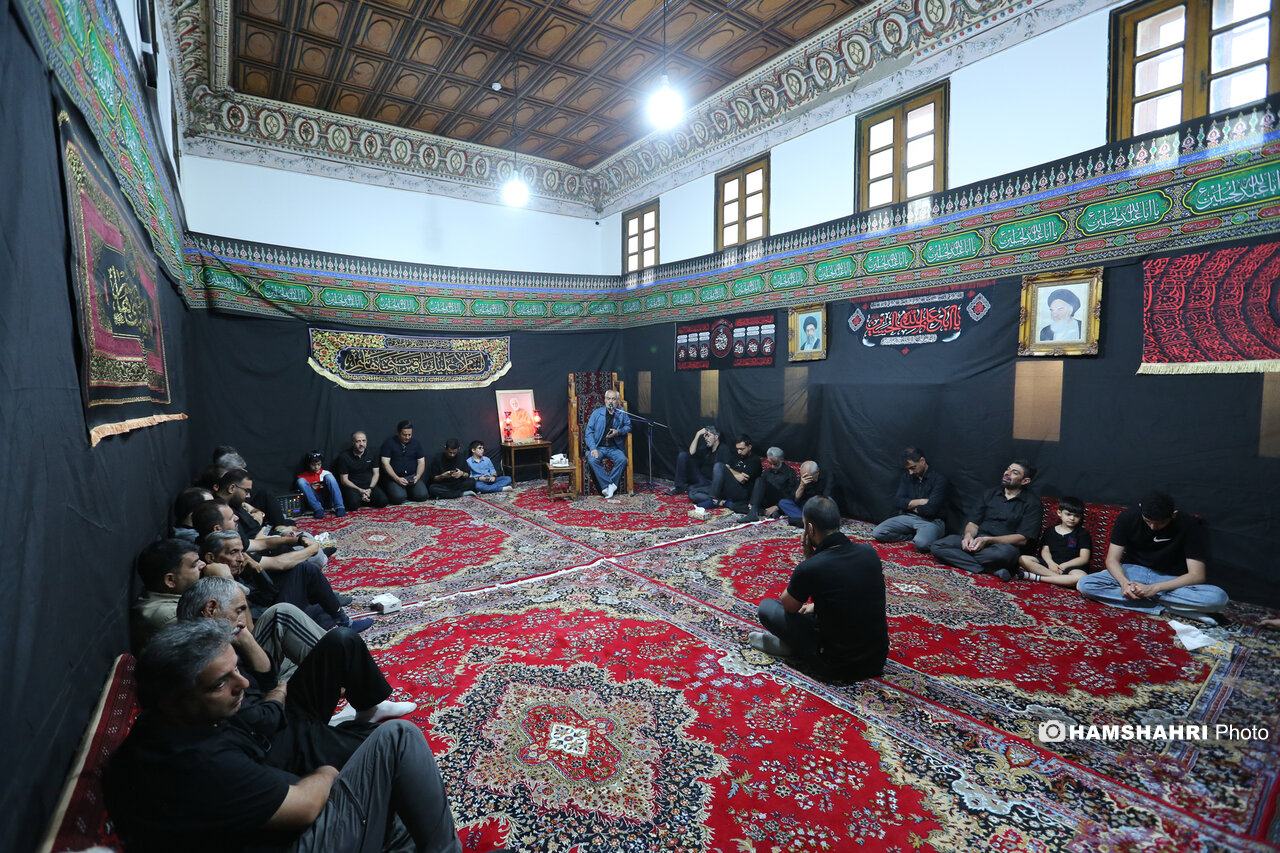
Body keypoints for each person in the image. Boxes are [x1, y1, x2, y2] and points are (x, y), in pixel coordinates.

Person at [104, 620, 479, 853]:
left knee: (399, 812)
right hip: (291, 837)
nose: (242, 683)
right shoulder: (195, 761)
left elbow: (258, 713)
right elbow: (307, 806)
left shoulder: (174, 723)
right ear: (173, 700)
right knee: (398, 738)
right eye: (221, 683)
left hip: (270, 782)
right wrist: (328, 773)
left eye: (236, 670)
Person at [750, 496, 888, 681]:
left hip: (836, 666)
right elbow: (854, 595)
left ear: (810, 529)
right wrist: (815, 606)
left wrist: (809, 559)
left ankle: (790, 648)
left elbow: (789, 606)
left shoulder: (811, 566)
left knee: (767, 607)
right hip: (877, 660)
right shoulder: (869, 552)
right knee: (815, 613)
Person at [1077, 492, 1228, 625]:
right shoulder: (1127, 517)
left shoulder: (1188, 525)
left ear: (1173, 514)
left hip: (1169, 579)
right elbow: (1112, 560)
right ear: (1140, 508)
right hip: (1132, 572)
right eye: (1148, 521)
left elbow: (1196, 575)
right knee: (1085, 585)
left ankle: (1151, 602)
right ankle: (1169, 608)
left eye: (1160, 523)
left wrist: (1155, 588)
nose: (1153, 527)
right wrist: (1124, 583)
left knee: (1218, 599)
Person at [199, 525, 369, 633]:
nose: (240, 558)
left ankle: (332, 611)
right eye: (233, 553)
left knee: (321, 606)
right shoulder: (214, 583)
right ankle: (339, 619)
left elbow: (269, 594)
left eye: (241, 551)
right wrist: (229, 579)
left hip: (269, 610)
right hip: (263, 628)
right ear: (211, 558)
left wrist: (257, 571)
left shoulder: (240, 564)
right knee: (307, 571)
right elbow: (251, 627)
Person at [178, 575, 327, 682]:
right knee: (282, 614)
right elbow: (260, 692)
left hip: (263, 682)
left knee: (301, 651)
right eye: (238, 611)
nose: (243, 622)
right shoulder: (203, 659)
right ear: (211, 609)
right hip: (261, 700)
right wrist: (278, 695)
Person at [929, 460, 1041, 581]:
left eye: (1014, 473)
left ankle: (961, 558)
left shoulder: (1032, 503)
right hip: (977, 540)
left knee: (1004, 555)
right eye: (1007, 469)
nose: (1007, 473)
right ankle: (990, 570)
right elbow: (973, 523)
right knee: (937, 546)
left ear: (1025, 481)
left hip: (1001, 547)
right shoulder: (990, 493)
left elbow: (1022, 539)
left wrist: (988, 540)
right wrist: (968, 536)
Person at [131, 539, 224, 648]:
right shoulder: (170, 616)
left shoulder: (178, 596)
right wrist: (225, 580)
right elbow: (217, 643)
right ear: (171, 580)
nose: (203, 565)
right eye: (194, 565)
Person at [873, 447, 949, 552]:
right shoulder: (907, 477)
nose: (910, 472)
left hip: (932, 521)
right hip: (909, 517)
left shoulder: (939, 479)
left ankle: (920, 537)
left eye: (913, 468)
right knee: (878, 532)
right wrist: (921, 501)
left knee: (922, 544)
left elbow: (930, 510)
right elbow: (897, 501)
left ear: (922, 460)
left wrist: (909, 505)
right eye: (908, 469)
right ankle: (911, 536)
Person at [1017, 496, 1091, 587]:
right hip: (1050, 565)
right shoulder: (1050, 531)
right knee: (1023, 559)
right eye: (1068, 514)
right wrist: (1051, 563)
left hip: (1071, 567)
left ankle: (1038, 578)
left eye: (1076, 516)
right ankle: (1062, 580)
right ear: (1059, 513)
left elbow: (1084, 558)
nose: (1072, 518)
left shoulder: (1082, 534)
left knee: (1081, 577)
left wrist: (1064, 566)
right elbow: (1045, 551)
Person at [692, 434, 760, 512]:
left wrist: (728, 469)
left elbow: (742, 480)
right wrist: (732, 472)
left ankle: (713, 500)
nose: (739, 452)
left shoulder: (754, 460)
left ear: (749, 447)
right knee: (693, 493)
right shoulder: (735, 457)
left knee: (718, 465)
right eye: (737, 449)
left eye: (741, 449)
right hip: (727, 489)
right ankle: (722, 502)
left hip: (741, 491)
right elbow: (727, 469)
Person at [584, 388, 631, 498]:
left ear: (617, 401)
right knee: (592, 460)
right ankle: (609, 485)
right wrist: (593, 448)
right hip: (599, 447)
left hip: (614, 448)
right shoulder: (597, 413)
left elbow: (628, 426)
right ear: (605, 400)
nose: (610, 401)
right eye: (608, 398)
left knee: (622, 459)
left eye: (613, 399)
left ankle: (609, 487)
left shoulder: (621, 412)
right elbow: (589, 432)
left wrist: (618, 432)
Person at [739, 446, 797, 522]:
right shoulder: (767, 472)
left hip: (779, 501)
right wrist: (752, 502)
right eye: (770, 463)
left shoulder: (790, 472)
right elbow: (759, 489)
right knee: (736, 505)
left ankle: (754, 513)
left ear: (782, 460)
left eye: (775, 464)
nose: (772, 466)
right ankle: (763, 511)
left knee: (760, 480)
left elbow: (792, 495)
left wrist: (777, 506)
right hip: (766, 501)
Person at [669, 425, 730, 496]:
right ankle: (679, 487)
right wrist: (697, 434)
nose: (706, 438)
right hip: (700, 478)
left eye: (708, 436)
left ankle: (693, 488)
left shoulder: (723, 449)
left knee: (691, 489)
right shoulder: (707, 447)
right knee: (683, 455)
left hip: (711, 482)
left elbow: (726, 469)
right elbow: (691, 453)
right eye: (705, 436)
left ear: (716, 437)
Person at [334, 430, 388, 511]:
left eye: (364, 441)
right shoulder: (344, 456)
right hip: (353, 487)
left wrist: (370, 489)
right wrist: (360, 490)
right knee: (353, 505)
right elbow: (344, 480)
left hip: (369, 486)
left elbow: (376, 473)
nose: (361, 444)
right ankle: (363, 499)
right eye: (358, 441)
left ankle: (365, 498)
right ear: (353, 442)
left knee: (383, 501)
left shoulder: (373, 453)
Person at [380, 420, 429, 504]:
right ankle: (401, 492)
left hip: (411, 477)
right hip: (395, 477)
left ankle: (408, 492)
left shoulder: (416, 443)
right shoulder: (389, 443)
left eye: (409, 435)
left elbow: (421, 462)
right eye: (404, 435)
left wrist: (418, 476)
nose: (407, 437)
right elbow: (385, 463)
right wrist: (396, 478)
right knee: (398, 498)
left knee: (423, 495)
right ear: (398, 433)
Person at [296, 451, 346, 519]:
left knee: (329, 477)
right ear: (308, 464)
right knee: (300, 481)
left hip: (328, 499)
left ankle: (340, 507)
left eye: (319, 464)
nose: (316, 467)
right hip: (314, 501)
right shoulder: (303, 476)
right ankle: (318, 509)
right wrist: (310, 488)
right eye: (313, 465)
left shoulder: (326, 473)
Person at [780, 460, 829, 525]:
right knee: (783, 502)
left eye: (807, 476)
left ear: (817, 472)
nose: (805, 478)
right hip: (804, 505)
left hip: (817, 506)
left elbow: (826, 501)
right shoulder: (803, 478)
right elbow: (795, 499)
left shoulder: (826, 478)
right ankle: (806, 520)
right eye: (803, 476)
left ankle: (802, 520)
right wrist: (802, 485)